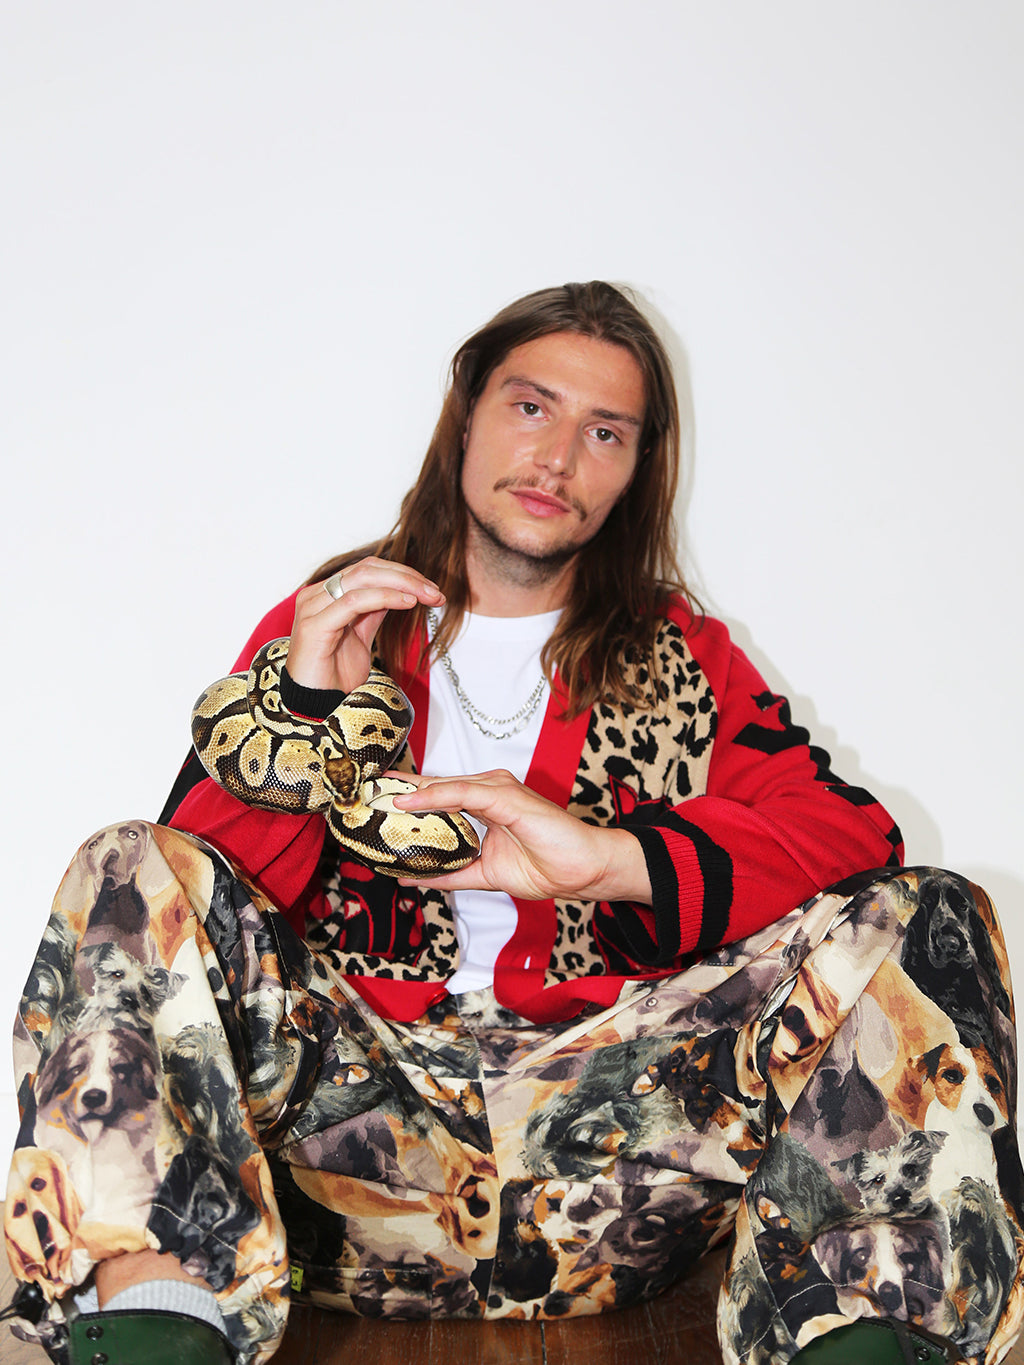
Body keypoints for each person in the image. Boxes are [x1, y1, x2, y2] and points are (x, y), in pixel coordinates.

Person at [5, 282, 1022, 1365]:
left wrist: (613, 862)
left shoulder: (682, 652)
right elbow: (194, 900)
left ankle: (864, 1340)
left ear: (636, 468)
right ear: (466, 416)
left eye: (604, 432)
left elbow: (853, 839)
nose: (558, 458)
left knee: (929, 913)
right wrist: (304, 708)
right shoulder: (340, 619)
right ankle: (159, 1326)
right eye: (531, 408)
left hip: (617, 1162)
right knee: (127, 864)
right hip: (346, 1166)